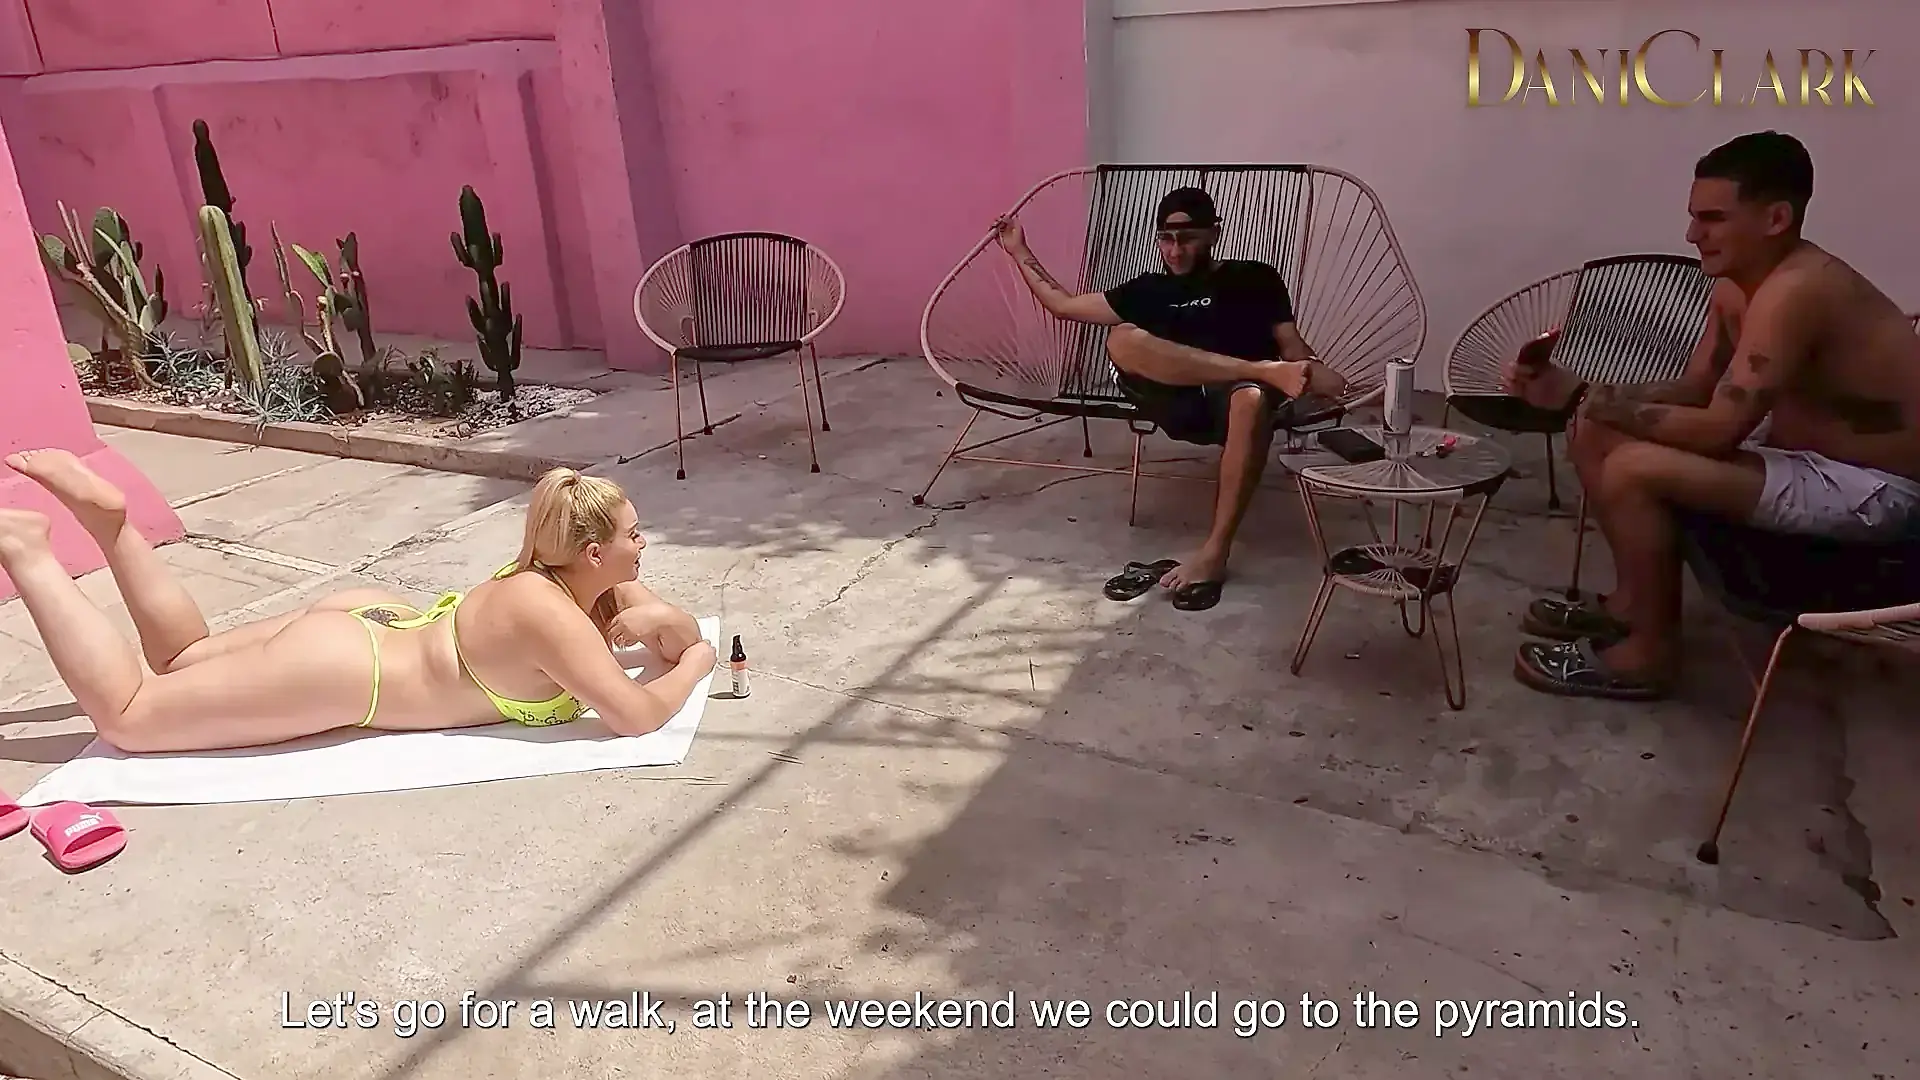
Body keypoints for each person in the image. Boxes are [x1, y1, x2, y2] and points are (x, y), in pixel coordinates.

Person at [1504, 130, 1920, 699]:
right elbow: (1699, 388)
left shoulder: (1799, 291)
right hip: (1805, 454)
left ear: (1776, 218)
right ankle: (1629, 606)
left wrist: (1580, 395)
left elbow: (1719, 430)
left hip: (1877, 488)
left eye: (1713, 219)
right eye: (1693, 217)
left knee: (1633, 466)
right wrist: (1591, 398)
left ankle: (1647, 655)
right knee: (1596, 430)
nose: (1692, 235)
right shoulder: (1739, 285)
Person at [0, 452, 718, 752]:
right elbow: (635, 716)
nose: (642, 545)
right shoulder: (552, 613)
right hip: (347, 671)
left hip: (374, 625)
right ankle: (29, 553)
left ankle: (112, 528)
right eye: (633, 535)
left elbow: (667, 635)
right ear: (593, 552)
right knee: (129, 717)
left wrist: (666, 620)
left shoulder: (575, 574)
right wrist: (701, 661)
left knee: (184, 658)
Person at [994, 185, 1346, 610]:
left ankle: (1215, 551)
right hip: (1172, 401)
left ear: (1214, 233)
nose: (1175, 251)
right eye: (1166, 239)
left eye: (1188, 238)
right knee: (1122, 338)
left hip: (1233, 406)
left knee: (1251, 398)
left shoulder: (1255, 278)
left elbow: (1292, 347)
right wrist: (1019, 250)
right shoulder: (1147, 290)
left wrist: (1315, 372)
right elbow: (1063, 306)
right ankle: (1259, 369)